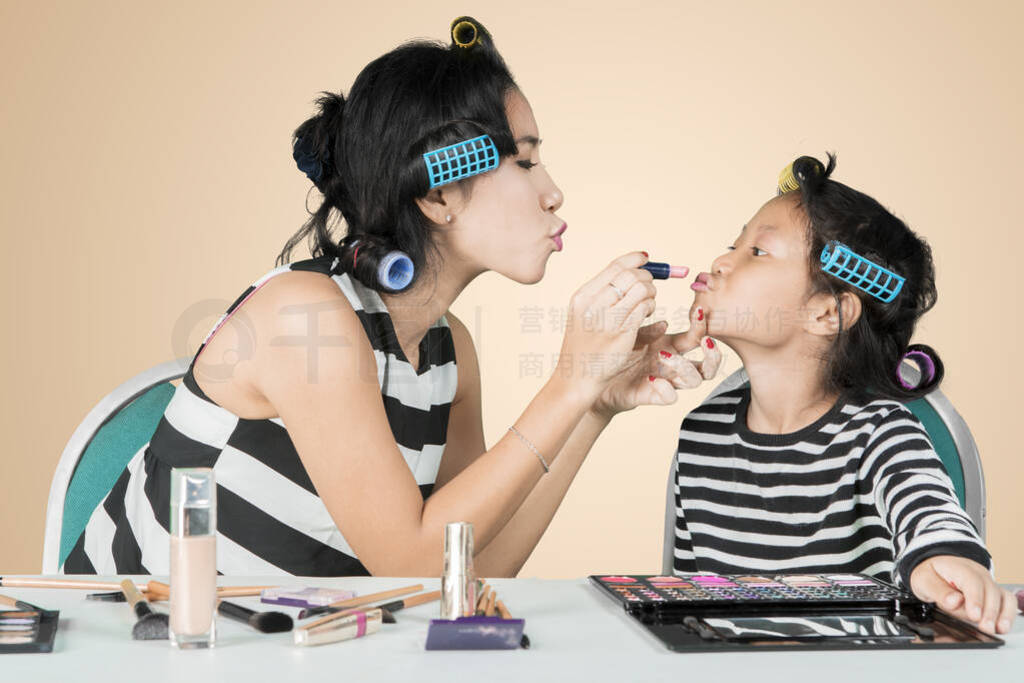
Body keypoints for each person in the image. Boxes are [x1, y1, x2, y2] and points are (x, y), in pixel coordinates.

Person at [62, 16, 720, 577]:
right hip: (133, 648)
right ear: (437, 194)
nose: (553, 191)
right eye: (523, 162)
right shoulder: (306, 319)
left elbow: (470, 568)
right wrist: (567, 385)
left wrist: (595, 404)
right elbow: (409, 560)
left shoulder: (448, 354)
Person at [668, 153, 1016, 635]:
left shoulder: (880, 430)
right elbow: (685, 607)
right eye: (734, 244)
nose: (720, 262)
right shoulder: (700, 431)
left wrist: (944, 557)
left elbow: (928, 510)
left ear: (827, 314)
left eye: (757, 252)